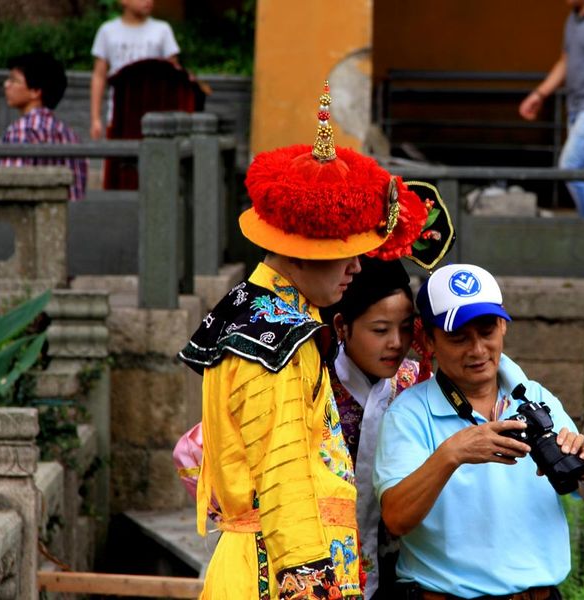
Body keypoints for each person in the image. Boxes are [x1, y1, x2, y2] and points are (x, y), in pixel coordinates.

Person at [177, 84, 428, 600]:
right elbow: (287, 485)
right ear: (303, 250)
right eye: (346, 253)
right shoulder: (276, 342)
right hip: (278, 573)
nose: (357, 268)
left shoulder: (256, 308)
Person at [373, 263, 584, 599]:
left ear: (503, 325)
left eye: (486, 331)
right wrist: (452, 453)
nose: (476, 350)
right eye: (458, 337)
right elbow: (396, 519)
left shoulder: (536, 397)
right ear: (428, 340)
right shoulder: (409, 414)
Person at [322, 257, 424, 600]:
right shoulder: (313, 387)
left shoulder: (417, 382)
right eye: (380, 330)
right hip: (324, 565)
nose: (396, 342)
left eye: (406, 327)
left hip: (403, 569)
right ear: (341, 326)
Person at [518, 0, 584, 217]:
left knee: (570, 166)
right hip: (575, 107)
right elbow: (565, 61)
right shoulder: (573, 18)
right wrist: (539, 94)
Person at [0, 52, 87, 201]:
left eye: (14, 80)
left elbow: (10, 185)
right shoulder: (69, 134)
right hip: (69, 219)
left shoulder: (22, 130)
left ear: (35, 92)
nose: (6, 84)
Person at [89, 0, 180, 140]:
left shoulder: (163, 30)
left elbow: (175, 74)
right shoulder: (107, 31)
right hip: (119, 114)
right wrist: (95, 118)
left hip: (156, 116)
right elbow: (99, 76)